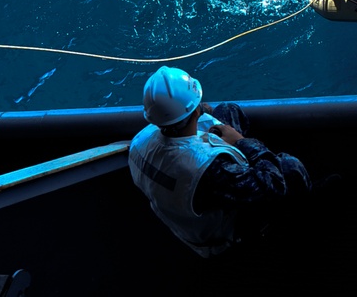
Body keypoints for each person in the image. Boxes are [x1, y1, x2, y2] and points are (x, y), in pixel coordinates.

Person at [128, 66, 313, 258]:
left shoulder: (140, 140)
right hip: (219, 237)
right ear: (194, 111)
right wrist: (241, 142)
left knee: (227, 111)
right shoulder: (210, 171)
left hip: (181, 211)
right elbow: (273, 184)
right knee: (290, 167)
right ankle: (299, 223)